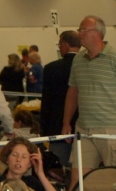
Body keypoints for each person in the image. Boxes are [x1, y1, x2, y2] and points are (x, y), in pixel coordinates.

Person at [62, 15, 116, 191]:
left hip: (111, 129)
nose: (79, 33)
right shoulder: (78, 59)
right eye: (79, 29)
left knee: (114, 179)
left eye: (83, 30)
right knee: (77, 178)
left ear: (97, 33)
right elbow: (73, 92)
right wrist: (66, 122)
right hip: (84, 129)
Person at [40, 30, 81, 167]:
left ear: (65, 44)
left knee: (57, 168)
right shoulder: (88, 67)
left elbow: (46, 102)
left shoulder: (51, 68)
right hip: (83, 126)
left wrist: (43, 131)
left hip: (56, 126)